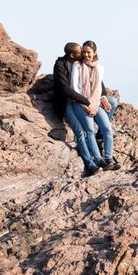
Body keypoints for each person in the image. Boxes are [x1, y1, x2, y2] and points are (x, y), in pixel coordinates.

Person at [52, 42, 102, 176]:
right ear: (72, 55)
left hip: (79, 102)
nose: (83, 54)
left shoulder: (80, 63)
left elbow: (98, 79)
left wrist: (103, 96)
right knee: (79, 132)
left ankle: (98, 157)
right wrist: (86, 101)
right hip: (66, 103)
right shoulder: (60, 65)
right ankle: (90, 164)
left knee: (89, 131)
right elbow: (65, 89)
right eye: (80, 52)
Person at [70, 40, 120, 171]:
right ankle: (99, 160)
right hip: (79, 103)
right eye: (84, 52)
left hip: (95, 103)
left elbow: (98, 89)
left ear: (94, 53)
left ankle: (109, 157)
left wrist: (103, 100)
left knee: (107, 129)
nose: (86, 54)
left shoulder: (100, 68)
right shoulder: (77, 65)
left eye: (89, 52)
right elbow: (74, 89)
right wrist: (87, 106)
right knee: (90, 130)